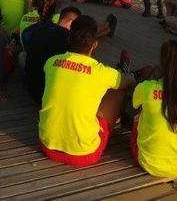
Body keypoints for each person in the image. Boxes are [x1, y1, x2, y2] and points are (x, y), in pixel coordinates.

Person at [38, 16, 138, 167]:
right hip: (83, 154)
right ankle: (119, 115)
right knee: (118, 90)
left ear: (69, 39)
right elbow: (129, 83)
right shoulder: (99, 71)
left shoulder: (52, 62)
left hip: (47, 144)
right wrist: (131, 76)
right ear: (95, 44)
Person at [131, 40, 177, 178]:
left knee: (138, 117)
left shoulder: (146, 88)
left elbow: (134, 104)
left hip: (151, 164)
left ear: (161, 64)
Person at [23, 4, 81, 104]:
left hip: (31, 87)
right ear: (71, 22)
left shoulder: (38, 29)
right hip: (50, 95)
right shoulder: (70, 41)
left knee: (22, 55)